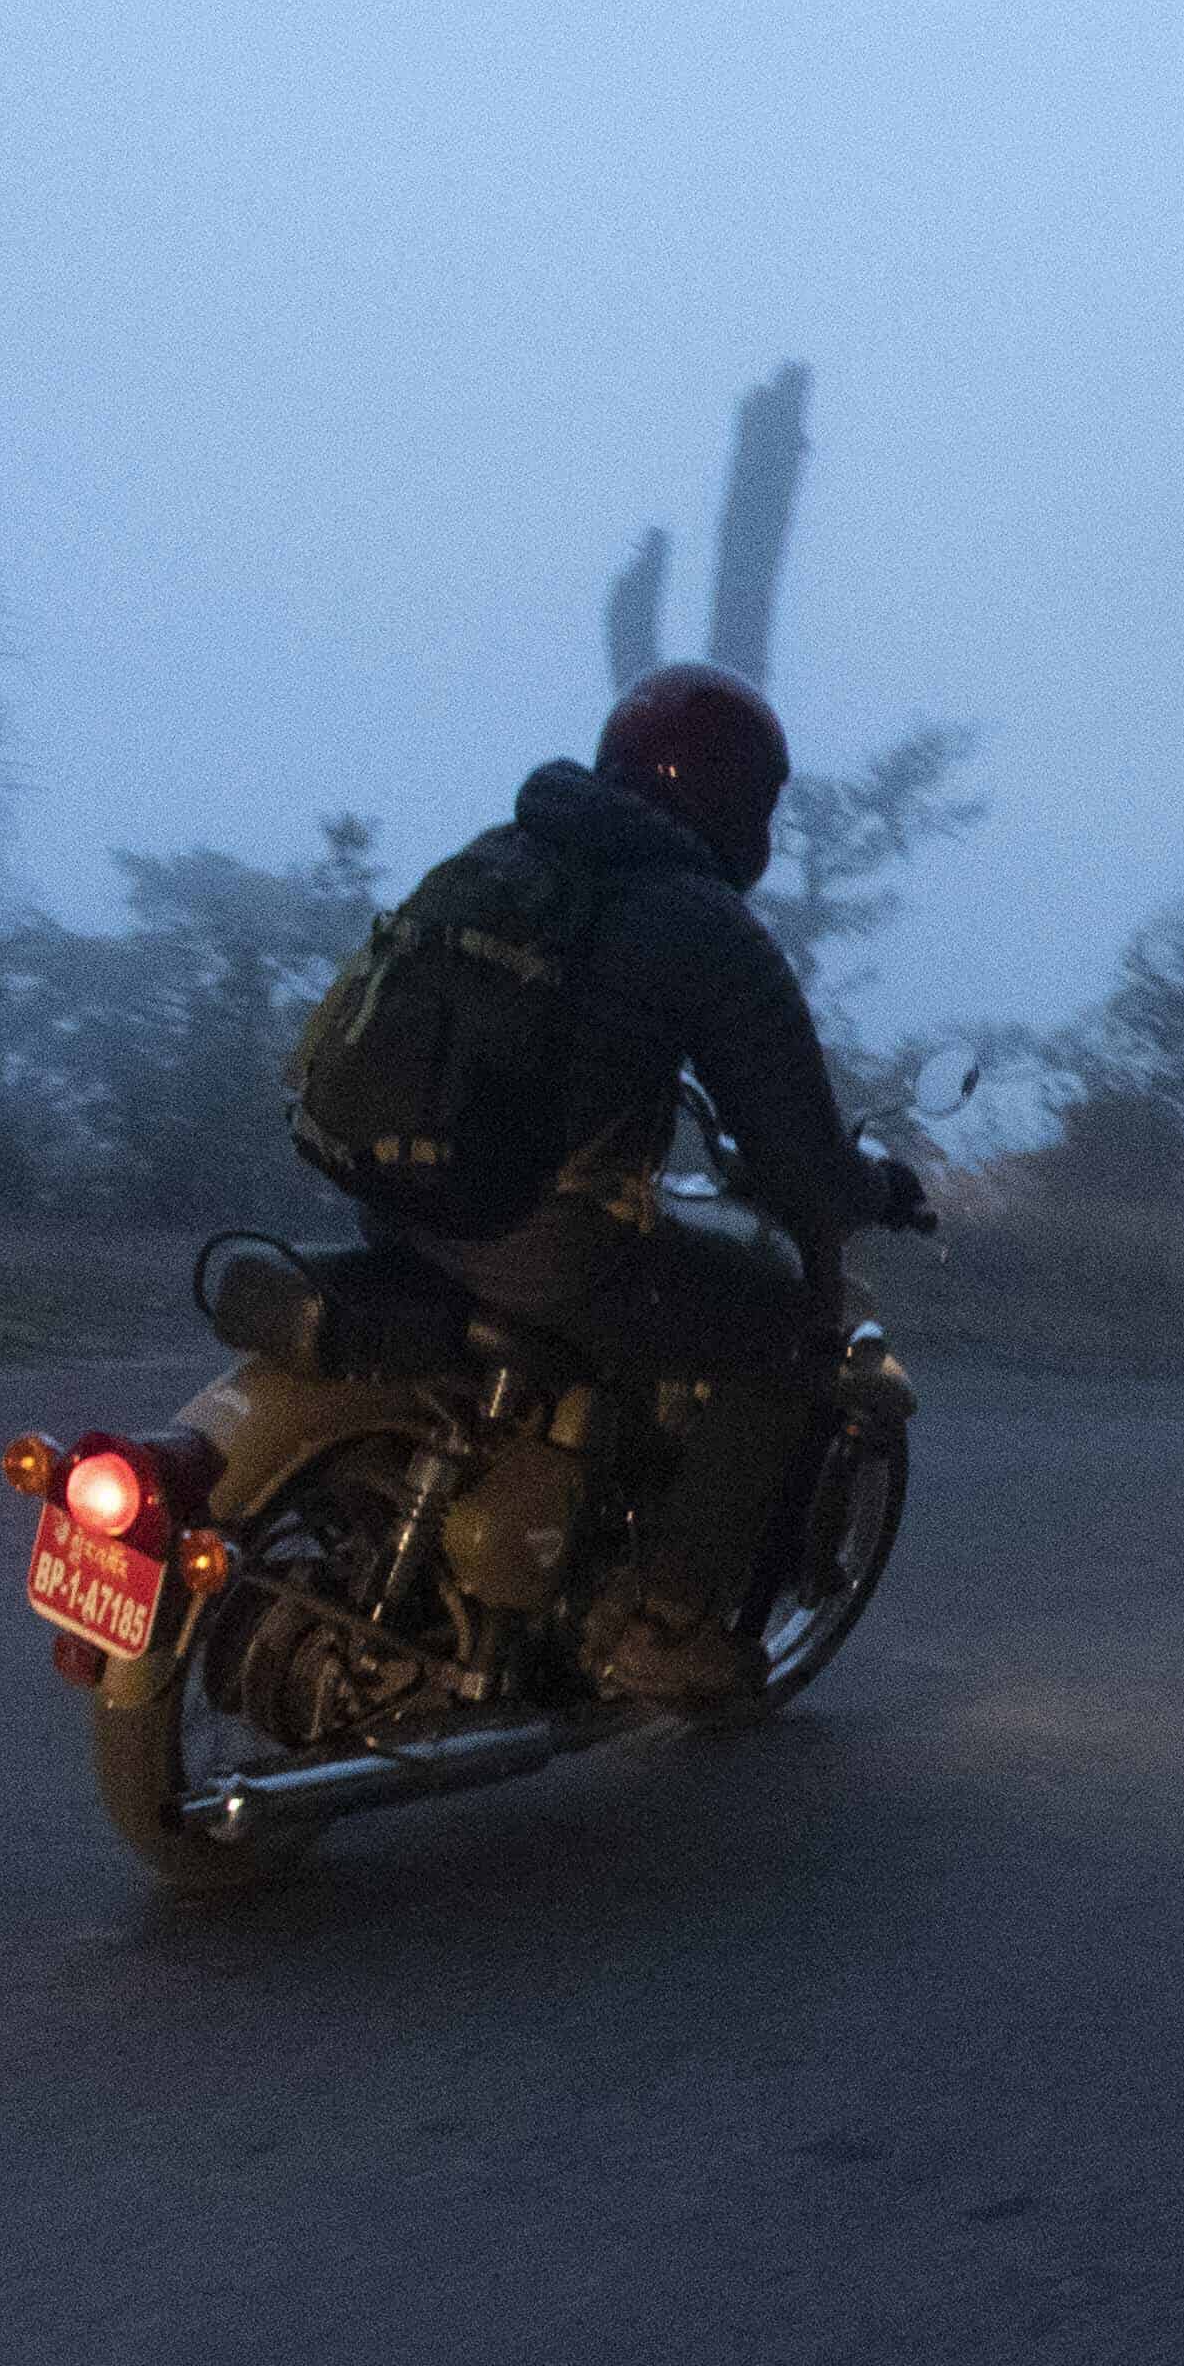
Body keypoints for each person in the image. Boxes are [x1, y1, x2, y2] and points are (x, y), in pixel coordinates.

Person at [381, 664, 930, 1706]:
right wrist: (876, 1190)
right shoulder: (696, 921)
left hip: (402, 1199)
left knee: (633, 1282)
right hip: (523, 1231)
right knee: (778, 1327)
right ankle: (660, 1620)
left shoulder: (511, 855)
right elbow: (799, 1157)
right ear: (735, 802)